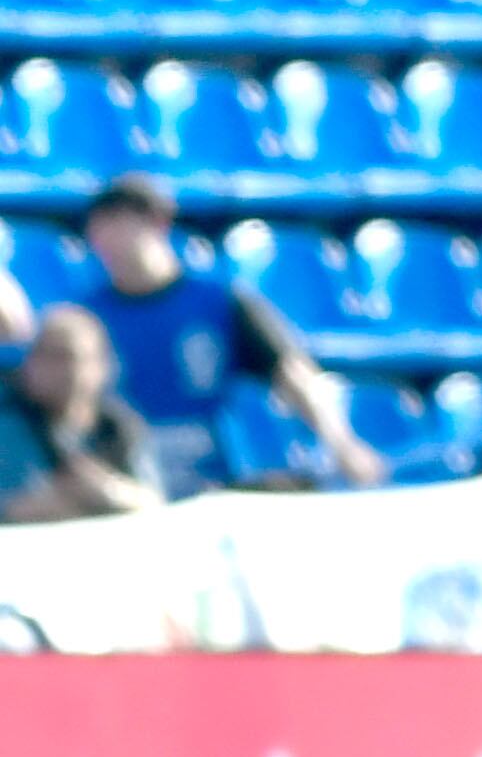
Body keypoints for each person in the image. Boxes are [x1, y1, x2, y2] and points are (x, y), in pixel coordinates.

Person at [80, 176, 379, 497]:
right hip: (130, 484)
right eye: (98, 228)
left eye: (117, 224)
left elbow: (291, 373)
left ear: (157, 222)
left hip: (217, 479)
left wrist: (341, 442)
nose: (105, 239)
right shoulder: (86, 319)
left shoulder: (218, 303)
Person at [0, 306, 162, 525]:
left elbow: (156, 502)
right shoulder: (9, 425)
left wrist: (109, 491)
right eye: (42, 353)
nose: (51, 368)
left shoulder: (118, 426)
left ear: (101, 366)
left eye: (67, 357)